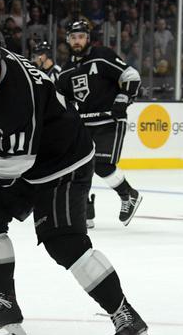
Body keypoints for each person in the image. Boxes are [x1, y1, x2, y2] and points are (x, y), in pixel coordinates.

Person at [0, 24, 156, 335]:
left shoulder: (16, 96)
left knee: (64, 243)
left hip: (63, 164)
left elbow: (12, 163)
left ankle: (126, 316)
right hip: (32, 161)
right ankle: (5, 308)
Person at [55, 20, 143, 228]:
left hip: (109, 120)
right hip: (84, 124)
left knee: (102, 164)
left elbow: (131, 75)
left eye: (81, 37)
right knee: (77, 168)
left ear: (88, 38)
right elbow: (61, 101)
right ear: (68, 40)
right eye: (73, 37)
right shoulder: (66, 71)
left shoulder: (102, 55)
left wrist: (122, 100)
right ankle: (85, 212)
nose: (77, 41)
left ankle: (128, 195)